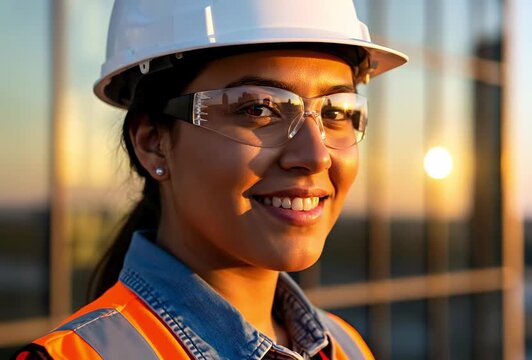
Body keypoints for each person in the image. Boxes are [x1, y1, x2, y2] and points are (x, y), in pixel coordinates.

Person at [14, 1, 406, 359]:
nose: (316, 154)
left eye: (335, 111)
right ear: (153, 144)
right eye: (259, 109)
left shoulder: (345, 347)